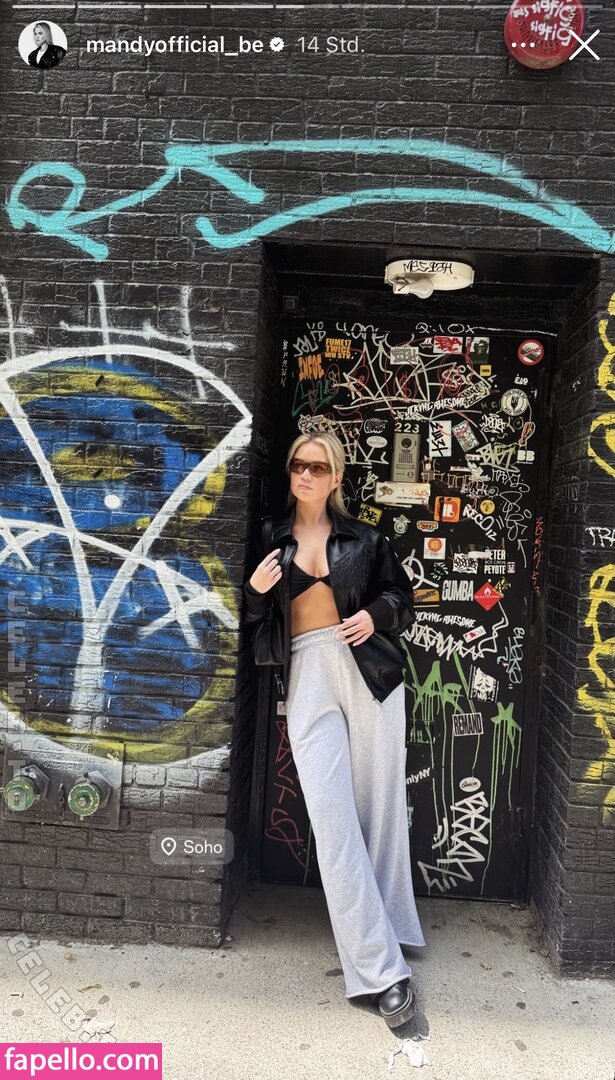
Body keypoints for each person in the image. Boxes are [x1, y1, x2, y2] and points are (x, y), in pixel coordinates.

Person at [243, 431, 425, 1029]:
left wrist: (374, 614)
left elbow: (403, 599)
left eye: (318, 467)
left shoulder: (367, 539)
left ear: (336, 477)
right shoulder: (270, 535)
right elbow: (257, 622)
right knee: (333, 820)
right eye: (298, 464)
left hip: (369, 673)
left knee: (380, 810)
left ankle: (392, 929)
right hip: (308, 675)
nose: (305, 474)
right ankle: (380, 969)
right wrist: (255, 593)